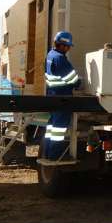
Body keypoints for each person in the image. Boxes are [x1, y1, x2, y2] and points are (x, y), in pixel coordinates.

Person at [43, 31, 80, 161]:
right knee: (58, 129)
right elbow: (73, 79)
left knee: (51, 127)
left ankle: (47, 153)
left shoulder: (50, 55)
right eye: (68, 46)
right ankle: (54, 156)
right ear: (62, 45)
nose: (69, 48)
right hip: (62, 98)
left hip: (53, 97)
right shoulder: (60, 58)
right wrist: (78, 83)